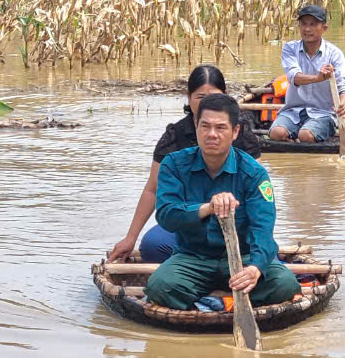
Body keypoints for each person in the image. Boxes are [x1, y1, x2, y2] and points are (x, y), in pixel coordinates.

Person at [145, 94, 300, 311]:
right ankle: (225, 302)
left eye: (220, 128)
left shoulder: (254, 174)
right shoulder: (174, 164)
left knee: (285, 285)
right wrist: (206, 208)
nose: (212, 134)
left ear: (235, 132)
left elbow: (263, 229)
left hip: (243, 258)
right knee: (159, 287)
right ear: (196, 127)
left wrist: (255, 268)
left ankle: (216, 303)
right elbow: (166, 215)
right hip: (192, 258)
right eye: (205, 126)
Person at [110, 65, 261, 264]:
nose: (207, 103)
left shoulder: (240, 134)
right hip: (189, 220)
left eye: (213, 96)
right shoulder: (174, 137)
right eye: (200, 97)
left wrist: (260, 236)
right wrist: (131, 238)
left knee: (262, 252)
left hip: (234, 220)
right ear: (189, 98)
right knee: (152, 246)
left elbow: (258, 192)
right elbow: (153, 190)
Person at [268, 4, 345, 144]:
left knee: (306, 136)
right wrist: (318, 78)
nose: (307, 29)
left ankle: (304, 136)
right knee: (276, 134)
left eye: (313, 25)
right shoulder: (290, 48)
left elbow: (344, 85)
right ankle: (293, 139)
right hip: (293, 111)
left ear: (324, 28)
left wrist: (342, 104)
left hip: (323, 113)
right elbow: (294, 76)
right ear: (299, 27)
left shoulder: (334, 54)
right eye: (304, 24)